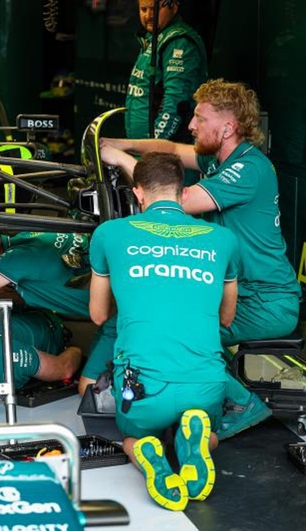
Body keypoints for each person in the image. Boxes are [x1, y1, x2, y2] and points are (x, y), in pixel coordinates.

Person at [100, 78, 302, 439]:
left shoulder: (249, 168)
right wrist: (119, 143)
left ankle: (240, 402)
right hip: (241, 294)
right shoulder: (218, 159)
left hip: (266, 302)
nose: (191, 125)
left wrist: (119, 159)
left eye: (200, 118)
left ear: (227, 128)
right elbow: (168, 149)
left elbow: (179, 200)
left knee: (174, 327)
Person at [89, 152, 239, 510]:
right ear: (183, 192)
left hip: (144, 387)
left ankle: (148, 453)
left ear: (138, 193)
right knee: (210, 433)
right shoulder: (223, 239)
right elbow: (227, 318)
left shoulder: (109, 234)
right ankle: (193, 442)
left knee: (132, 437)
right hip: (204, 383)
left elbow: (97, 314)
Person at [0, 229, 116, 393]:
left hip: (117, 315)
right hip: (118, 286)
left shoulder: (15, 260)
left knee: (88, 390)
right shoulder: (27, 235)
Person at [126, 0, 207, 144]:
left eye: (154, 9)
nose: (148, 15)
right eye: (143, 9)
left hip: (163, 150)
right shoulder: (151, 38)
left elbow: (176, 103)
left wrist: (152, 146)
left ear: (174, 7)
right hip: (142, 145)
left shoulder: (179, 42)